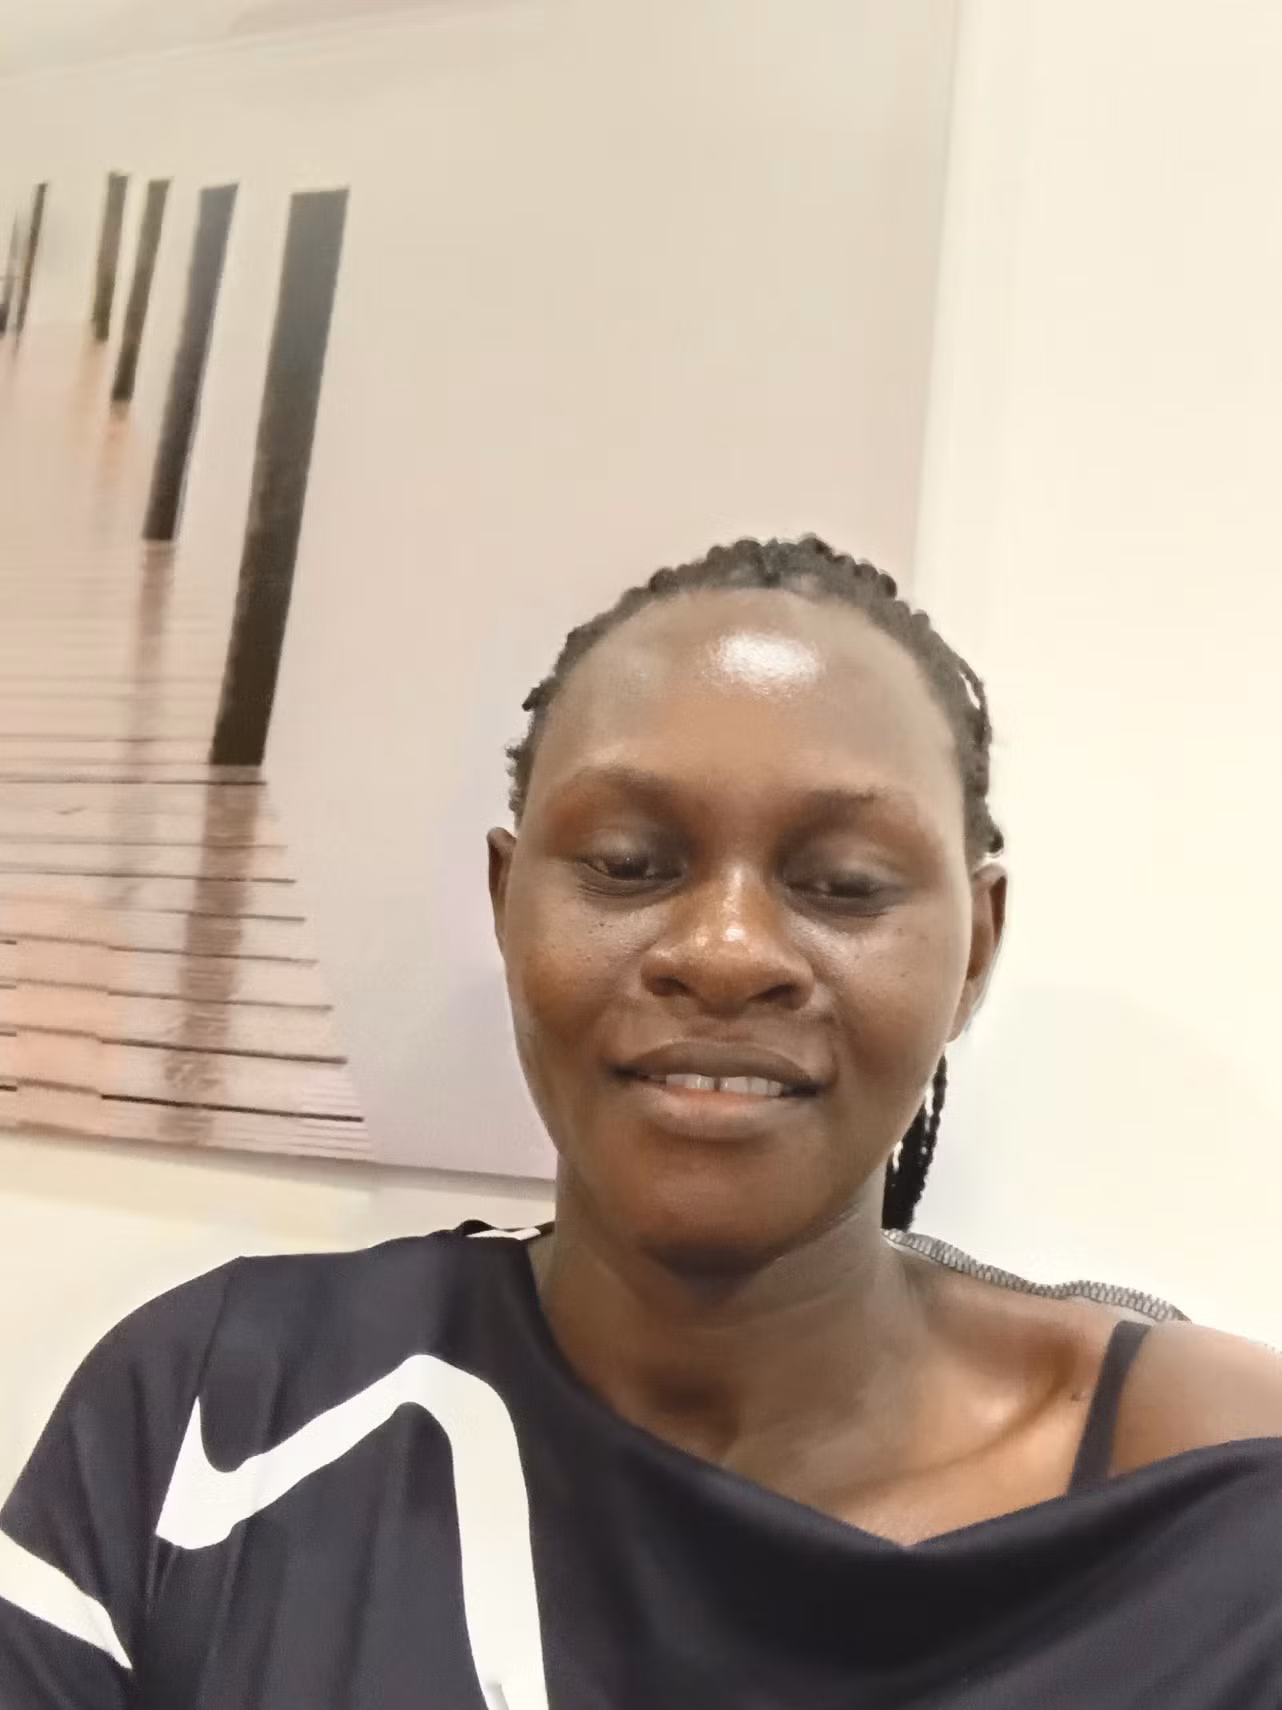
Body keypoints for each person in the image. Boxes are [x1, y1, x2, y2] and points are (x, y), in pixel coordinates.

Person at [2, 535, 1282, 1709]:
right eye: (627, 865)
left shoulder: (1222, 1495)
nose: (725, 953)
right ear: (507, 901)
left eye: (842, 884)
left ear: (975, 950)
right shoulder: (211, 1407)